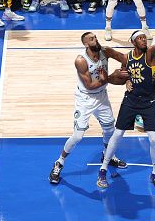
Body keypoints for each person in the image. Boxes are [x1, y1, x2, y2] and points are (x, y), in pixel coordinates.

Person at [97, 22, 155, 189]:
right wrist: (99, 54)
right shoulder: (126, 58)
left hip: (149, 102)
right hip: (131, 100)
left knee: (154, 139)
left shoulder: (150, 53)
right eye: (140, 38)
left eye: (144, 37)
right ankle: (103, 168)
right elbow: (110, 52)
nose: (144, 40)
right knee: (117, 134)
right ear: (133, 42)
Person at [49, 32, 131, 184]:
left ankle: (107, 155)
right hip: (85, 99)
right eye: (91, 39)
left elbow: (125, 58)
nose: (96, 40)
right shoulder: (81, 60)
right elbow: (90, 85)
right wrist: (110, 77)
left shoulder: (105, 51)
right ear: (86, 44)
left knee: (109, 130)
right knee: (78, 136)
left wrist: (123, 73)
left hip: (102, 96)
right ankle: (59, 162)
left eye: (95, 37)